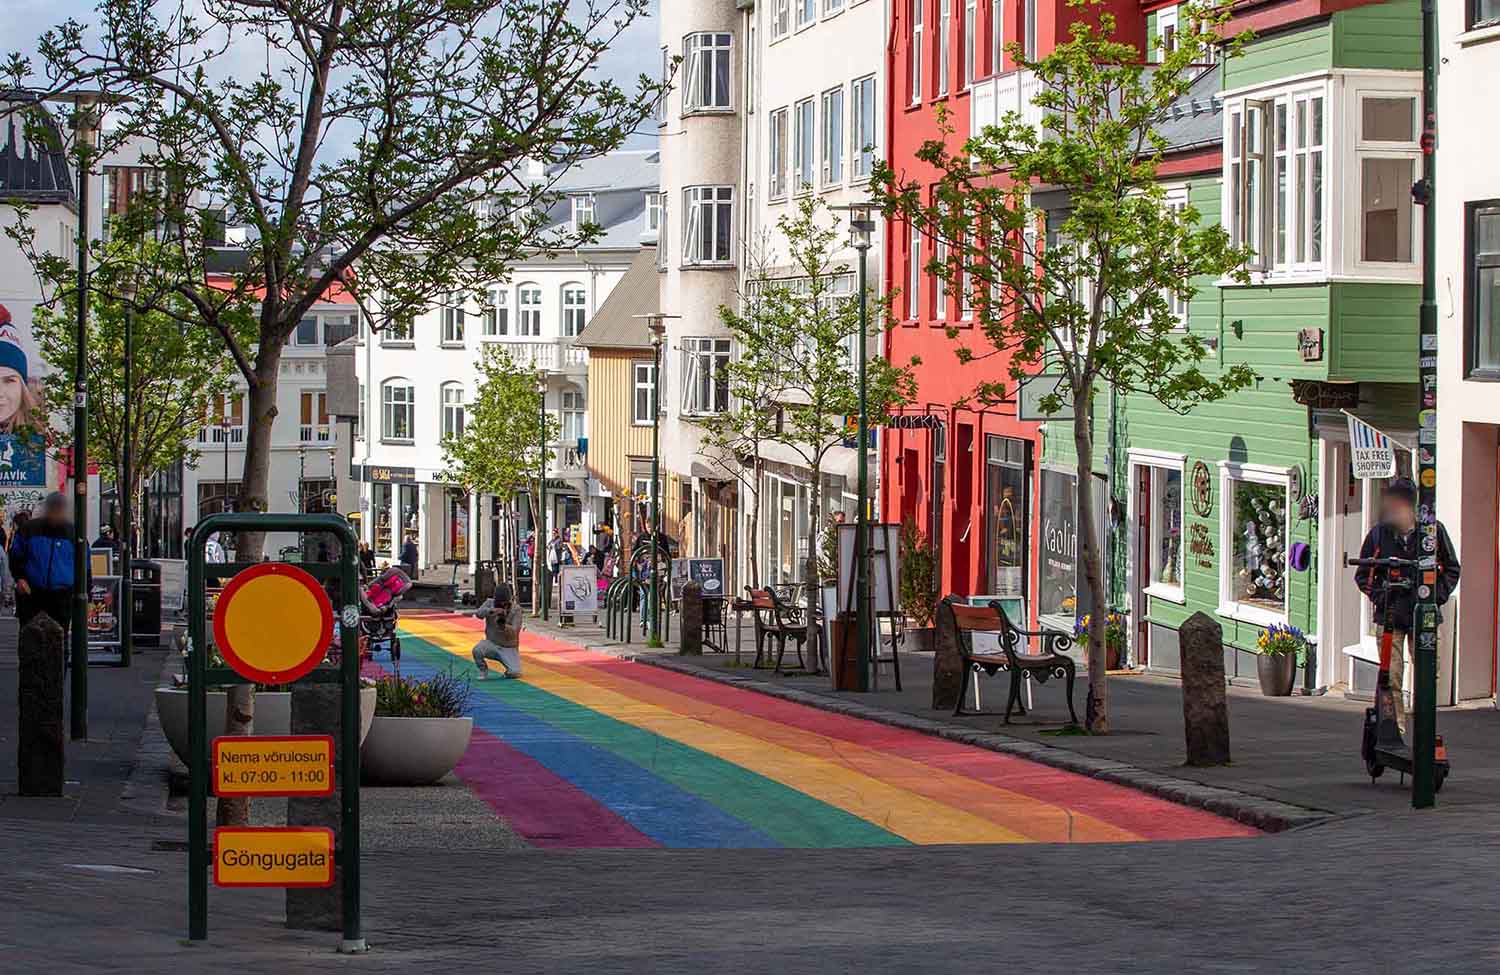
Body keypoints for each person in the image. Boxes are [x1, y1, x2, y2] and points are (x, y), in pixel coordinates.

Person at [1353, 477, 1460, 734]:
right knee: (1392, 675)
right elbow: (1363, 574)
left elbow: (1451, 569)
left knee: (1427, 673)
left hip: (1424, 615)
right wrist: (1381, 596)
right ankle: (1396, 727)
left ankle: (1423, 725)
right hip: (1390, 615)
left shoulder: (1433, 532)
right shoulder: (1379, 534)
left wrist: (1435, 597)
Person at [10, 492, 75, 632]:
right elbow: (15, 556)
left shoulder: (73, 533)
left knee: (60, 637)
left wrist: (85, 591)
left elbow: (84, 565)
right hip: (32, 593)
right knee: (30, 636)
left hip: (62, 595)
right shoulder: (29, 529)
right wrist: (20, 578)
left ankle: (60, 655)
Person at [471, 582, 523, 679]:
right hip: (491, 643)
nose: (502, 605)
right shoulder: (489, 603)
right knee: (477, 650)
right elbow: (478, 614)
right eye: (499, 603)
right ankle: (483, 669)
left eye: (505, 603)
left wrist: (504, 626)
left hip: (508, 647)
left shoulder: (516, 609)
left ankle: (508, 672)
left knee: (515, 673)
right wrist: (491, 611)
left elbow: (515, 631)